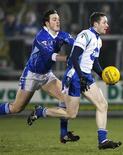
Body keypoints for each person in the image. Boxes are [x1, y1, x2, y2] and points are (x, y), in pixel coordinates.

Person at [28, 12, 121, 150]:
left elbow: (93, 60)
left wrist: (103, 75)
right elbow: (73, 58)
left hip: (85, 76)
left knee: (102, 105)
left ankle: (103, 141)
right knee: (71, 114)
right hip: (74, 76)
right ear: (95, 24)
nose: (107, 25)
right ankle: (41, 111)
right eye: (104, 22)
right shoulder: (86, 35)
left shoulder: (98, 40)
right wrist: (81, 76)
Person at [0, 9, 79, 143]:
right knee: (16, 108)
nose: (58, 21)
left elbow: (76, 44)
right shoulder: (41, 37)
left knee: (66, 99)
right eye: (54, 19)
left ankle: (64, 134)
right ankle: (39, 112)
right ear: (47, 23)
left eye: (58, 19)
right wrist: (69, 59)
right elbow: (52, 56)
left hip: (47, 76)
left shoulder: (62, 35)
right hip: (32, 75)